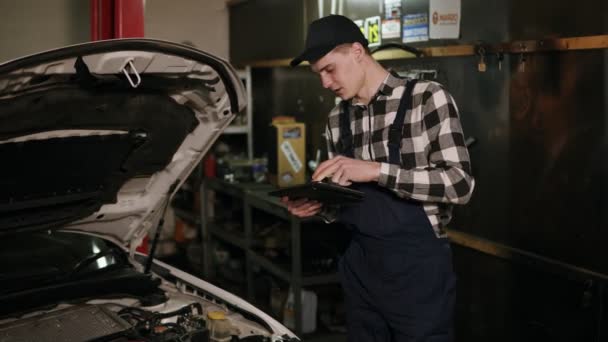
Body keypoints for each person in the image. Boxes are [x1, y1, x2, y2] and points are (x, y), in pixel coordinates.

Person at [282, 15, 475, 341]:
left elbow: (460, 184)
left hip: (416, 273)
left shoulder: (426, 99)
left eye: (329, 69)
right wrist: (319, 204)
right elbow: (343, 198)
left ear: (357, 51)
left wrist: (376, 170)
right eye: (319, 75)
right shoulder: (336, 117)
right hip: (360, 268)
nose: (325, 83)